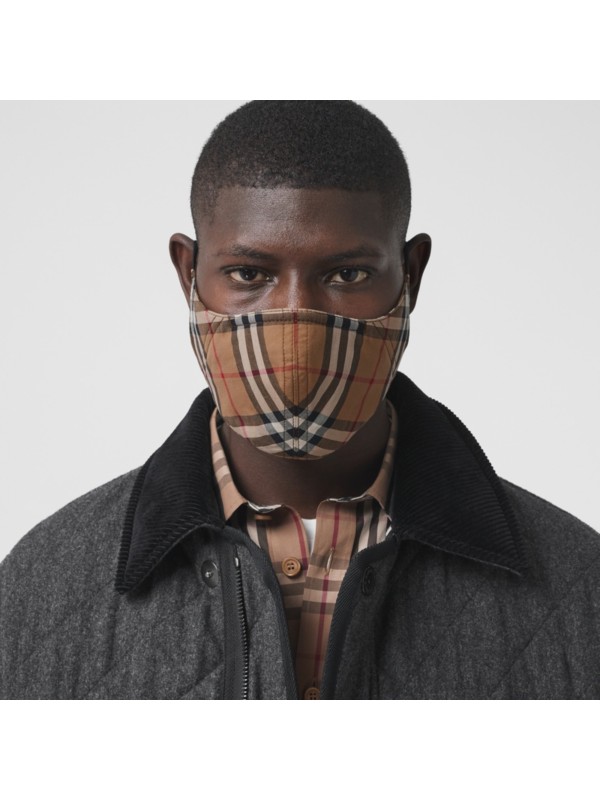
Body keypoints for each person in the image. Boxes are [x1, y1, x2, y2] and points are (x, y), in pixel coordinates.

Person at [1, 100, 599, 700]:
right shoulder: (40, 589)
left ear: (411, 276)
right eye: (248, 274)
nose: (296, 322)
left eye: (347, 275)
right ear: (188, 274)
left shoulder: (579, 588)